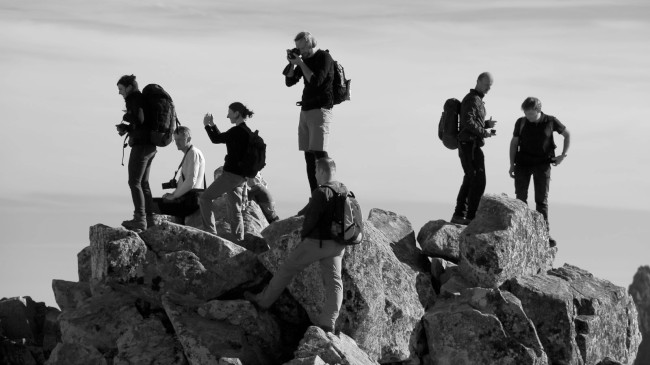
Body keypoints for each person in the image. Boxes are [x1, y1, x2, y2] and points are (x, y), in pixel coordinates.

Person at [246, 157, 347, 333]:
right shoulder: (343, 189)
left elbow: (309, 219)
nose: (315, 174)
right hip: (338, 245)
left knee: (286, 269)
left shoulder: (321, 192)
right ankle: (328, 323)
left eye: (316, 171)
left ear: (322, 172)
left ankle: (262, 301)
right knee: (334, 283)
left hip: (317, 243)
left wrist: (303, 236)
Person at [509, 97, 571, 247]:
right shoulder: (521, 122)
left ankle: (544, 234)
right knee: (520, 199)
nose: (528, 117)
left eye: (530, 113)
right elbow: (514, 143)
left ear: (538, 110)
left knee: (541, 201)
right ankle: (520, 231)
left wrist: (562, 155)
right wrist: (511, 164)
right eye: (526, 113)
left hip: (543, 164)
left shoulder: (550, 121)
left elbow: (567, 134)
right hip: (523, 164)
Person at [283, 31, 335, 194]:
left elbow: (315, 81)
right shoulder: (303, 60)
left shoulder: (324, 58)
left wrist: (301, 63)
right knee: (308, 156)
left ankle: (327, 192)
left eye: (302, 47)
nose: (301, 51)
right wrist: (293, 63)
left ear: (310, 43)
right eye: (298, 48)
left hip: (320, 109)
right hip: (305, 110)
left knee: (320, 153)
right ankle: (315, 194)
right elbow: (289, 81)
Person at [199, 102, 255, 241]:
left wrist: (206, 125)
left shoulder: (236, 131)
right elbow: (222, 137)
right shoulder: (247, 132)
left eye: (229, 112)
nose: (227, 115)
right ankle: (238, 240)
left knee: (205, 198)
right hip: (241, 177)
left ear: (237, 113)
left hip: (230, 175)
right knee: (235, 209)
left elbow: (215, 139)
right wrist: (212, 125)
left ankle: (211, 233)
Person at [451, 72, 498, 225]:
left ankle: (462, 214)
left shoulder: (477, 100)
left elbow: (470, 121)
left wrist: (485, 125)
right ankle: (468, 216)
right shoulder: (472, 99)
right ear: (478, 82)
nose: (488, 89)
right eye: (486, 85)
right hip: (468, 144)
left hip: (471, 144)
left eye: (490, 86)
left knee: (472, 178)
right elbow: (467, 122)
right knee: (477, 179)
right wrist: (484, 131)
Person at [116, 75, 156, 232]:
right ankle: (150, 219)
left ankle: (140, 220)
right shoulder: (141, 98)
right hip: (150, 146)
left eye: (120, 89)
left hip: (141, 147)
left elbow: (139, 119)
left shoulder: (134, 98)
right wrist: (127, 128)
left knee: (134, 182)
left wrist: (126, 116)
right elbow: (142, 123)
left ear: (129, 87)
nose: (119, 93)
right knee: (143, 183)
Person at [153, 126, 206, 220]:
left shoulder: (193, 153)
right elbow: (186, 182)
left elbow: (190, 181)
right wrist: (172, 195)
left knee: (148, 204)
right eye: (175, 139)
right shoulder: (190, 153)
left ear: (189, 139)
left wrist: (174, 196)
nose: (177, 142)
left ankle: (146, 230)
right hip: (188, 199)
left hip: (189, 202)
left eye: (180, 139)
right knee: (151, 202)